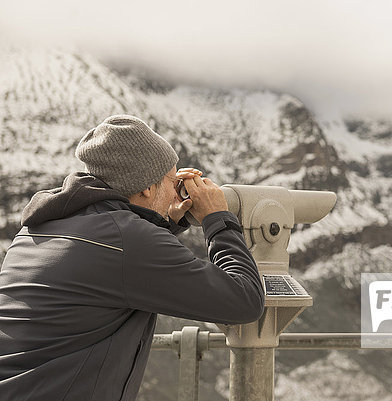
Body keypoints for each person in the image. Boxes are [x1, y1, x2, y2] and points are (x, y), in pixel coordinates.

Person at [0, 115, 265, 401]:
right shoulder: (128, 241)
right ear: (146, 188)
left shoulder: (41, 224)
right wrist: (218, 218)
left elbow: (116, 268)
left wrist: (165, 222)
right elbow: (244, 300)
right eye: (171, 180)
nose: (176, 189)